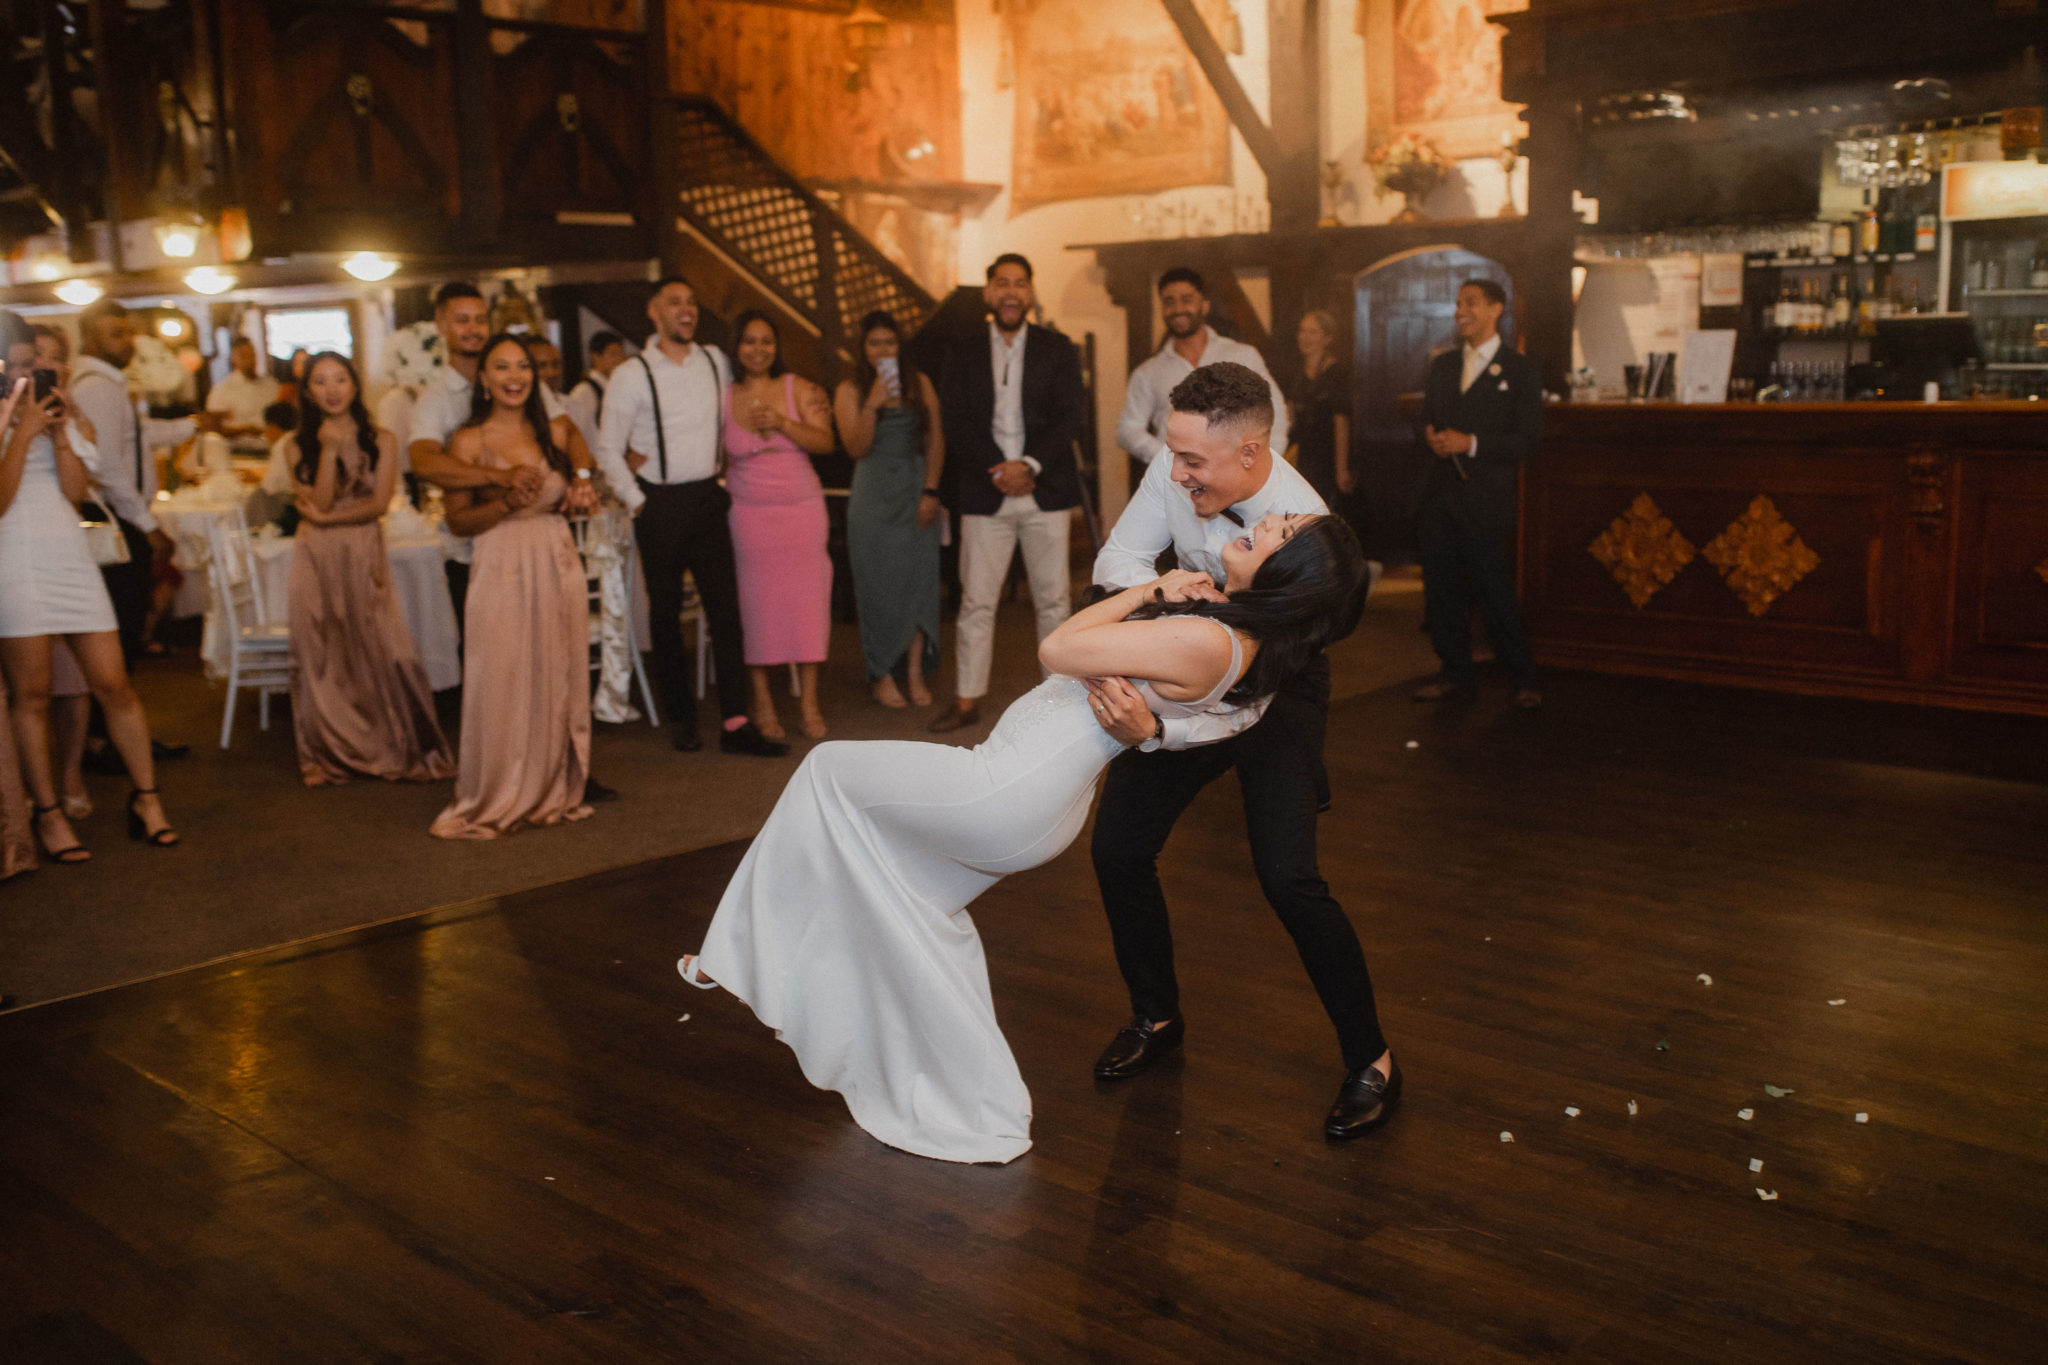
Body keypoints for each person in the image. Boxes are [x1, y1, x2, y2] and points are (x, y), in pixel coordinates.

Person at [680, 508, 1369, 1163]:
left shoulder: (1210, 637)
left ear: (1291, 577)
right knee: (905, 899)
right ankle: (970, 1097)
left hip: (1003, 788)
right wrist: (1162, 720)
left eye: (1280, 532)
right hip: (1032, 801)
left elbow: (1057, 648)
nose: (1262, 526)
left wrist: (1152, 589)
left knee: (825, 769)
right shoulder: (1238, 636)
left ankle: (733, 953)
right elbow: (1223, 720)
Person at [1085, 362, 1396, 1141]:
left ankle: (1373, 1059)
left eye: (1193, 461)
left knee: (1287, 876)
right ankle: (1156, 1016)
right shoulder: (1179, 461)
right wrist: (1176, 594)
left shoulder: (1308, 528)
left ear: (1252, 454)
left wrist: (1157, 731)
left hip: (1278, 683)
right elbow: (1116, 563)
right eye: (1173, 454)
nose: (1175, 471)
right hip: (1197, 651)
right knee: (1118, 849)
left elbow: (1246, 696)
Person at [592, 276, 786, 757]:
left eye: (692, 302)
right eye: (675, 302)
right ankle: (681, 718)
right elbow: (607, 450)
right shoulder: (631, 374)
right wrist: (637, 500)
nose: (687, 309)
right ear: (653, 312)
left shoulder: (714, 362)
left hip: (706, 497)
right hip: (657, 503)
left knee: (726, 611)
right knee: (666, 615)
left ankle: (737, 721)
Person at [0, 359, 181, 859]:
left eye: (39, 371)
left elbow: (76, 495)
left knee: (115, 683)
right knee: (32, 693)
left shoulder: (61, 420)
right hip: (13, 559)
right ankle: (48, 813)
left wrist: (58, 433)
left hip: (70, 557)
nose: (30, 381)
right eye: (17, 368)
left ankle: (147, 799)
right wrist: (21, 431)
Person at [429, 334, 601, 839]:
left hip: (556, 556)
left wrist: (584, 478)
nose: (514, 377)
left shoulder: (554, 428)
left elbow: (578, 445)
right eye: (501, 367)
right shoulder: (469, 440)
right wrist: (505, 496)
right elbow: (458, 523)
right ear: (483, 378)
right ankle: (499, 788)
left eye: (522, 366)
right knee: (501, 673)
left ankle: (550, 782)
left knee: (557, 669)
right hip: (500, 561)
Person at [928, 253, 1085, 735]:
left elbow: (1070, 416)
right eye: (1002, 283)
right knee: (976, 601)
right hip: (984, 488)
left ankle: (1059, 700)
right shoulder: (963, 350)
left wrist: (1029, 465)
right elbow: (956, 420)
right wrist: (998, 469)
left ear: (1031, 293)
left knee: (1054, 600)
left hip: (1045, 488)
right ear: (988, 294)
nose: (1011, 292)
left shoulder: (1058, 348)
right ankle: (967, 699)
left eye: (1020, 283)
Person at [286, 352, 455, 787]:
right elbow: (320, 502)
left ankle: (388, 742)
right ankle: (327, 751)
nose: (332, 390)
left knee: (380, 641)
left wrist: (326, 519)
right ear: (308, 393)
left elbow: (377, 505)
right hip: (316, 555)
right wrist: (326, 452)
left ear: (355, 385)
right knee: (323, 650)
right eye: (320, 382)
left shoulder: (381, 439)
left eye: (340, 379)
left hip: (361, 548)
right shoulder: (294, 444)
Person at [1413, 278, 1543, 709]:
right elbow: (1426, 418)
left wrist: (1470, 443)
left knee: (1494, 589)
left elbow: (1528, 440)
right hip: (1441, 497)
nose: (1459, 311)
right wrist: (1431, 437)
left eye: (1470, 303)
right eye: (1458, 303)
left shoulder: (1520, 369)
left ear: (1495, 309)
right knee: (1442, 590)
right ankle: (1455, 675)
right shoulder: (1444, 365)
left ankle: (1523, 680)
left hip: (1487, 500)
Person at [408, 283, 562, 646]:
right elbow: (424, 462)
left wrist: (582, 477)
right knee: (490, 658)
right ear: (441, 325)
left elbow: (566, 433)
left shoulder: (519, 385)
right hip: (471, 552)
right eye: (462, 320)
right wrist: (499, 477)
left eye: (480, 320)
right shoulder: (435, 401)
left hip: (535, 547)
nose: (474, 329)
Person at [723, 311, 835, 740]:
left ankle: (809, 703)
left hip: (800, 509)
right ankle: (764, 704)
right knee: (756, 608)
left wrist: (782, 422)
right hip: (749, 512)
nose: (758, 349)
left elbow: (826, 442)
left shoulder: (800, 388)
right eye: (749, 341)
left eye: (766, 341)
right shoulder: (724, 395)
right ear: (737, 347)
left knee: (807, 605)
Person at [66, 299, 194, 667]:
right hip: (116, 517)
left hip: (119, 514)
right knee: (124, 622)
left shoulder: (107, 383)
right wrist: (148, 526)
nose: (128, 342)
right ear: (90, 338)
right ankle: (108, 717)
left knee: (126, 620)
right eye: (116, 334)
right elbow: (107, 466)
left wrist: (192, 426)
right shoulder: (98, 387)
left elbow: (135, 438)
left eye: (128, 333)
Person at [837, 309, 944, 709]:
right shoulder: (850, 389)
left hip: (915, 490)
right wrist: (873, 404)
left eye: (890, 342)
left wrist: (931, 490)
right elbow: (855, 447)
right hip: (872, 498)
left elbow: (935, 439)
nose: (884, 350)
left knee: (918, 583)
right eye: (875, 343)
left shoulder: (921, 384)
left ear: (900, 346)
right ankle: (881, 672)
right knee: (877, 587)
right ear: (863, 350)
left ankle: (915, 671)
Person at [1116, 267, 1288, 469]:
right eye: (1169, 301)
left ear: (1205, 306)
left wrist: (1264, 464)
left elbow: (1273, 410)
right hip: (1177, 488)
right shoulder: (1148, 372)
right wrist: (1173, 459)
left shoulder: (1241, 356)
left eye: (1187, 299)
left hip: (1236, 482)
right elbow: (1128, 430)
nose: (1178, 308)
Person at [1288, 309, 1354, 514]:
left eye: (1312, 332)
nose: (1304, 337)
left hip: (1326, 456)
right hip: (1302, 454)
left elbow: (1341, 422)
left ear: (1327, 338)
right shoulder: (1295, 373)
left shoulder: (1337, 373)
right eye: (1302, 331)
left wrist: (1341, 469)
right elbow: (1290, 414)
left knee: (1323, 513)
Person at [206, 337, 274, 449]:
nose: (250, 360)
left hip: (268, 446)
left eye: (252, 355)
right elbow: (213, 427)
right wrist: (246, 429)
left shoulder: (271, 385)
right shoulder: (222, 390)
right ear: (233, 358)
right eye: (243, 355)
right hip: (236, 449)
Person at [565, 330, 625, 453]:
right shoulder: (584, 391)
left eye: (621, 354)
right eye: (613, 354)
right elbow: (577, 433)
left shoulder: (615, 387)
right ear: (595, 357)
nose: (619, 360)